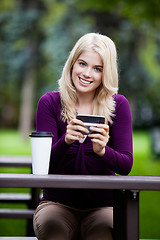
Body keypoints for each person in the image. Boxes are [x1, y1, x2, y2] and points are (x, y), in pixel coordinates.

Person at [33, 32, 133, 240]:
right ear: (72, 64)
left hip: (103, 206)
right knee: (55, 233)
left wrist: (103, 151)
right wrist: (66, 141)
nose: (87, 73)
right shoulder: (49, 103)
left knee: (101, 235)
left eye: (97, 69)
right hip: (56, 204)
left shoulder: (118, 105)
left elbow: (125, 166)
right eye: (82, 64)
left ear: (106, 74)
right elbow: (42, 167)